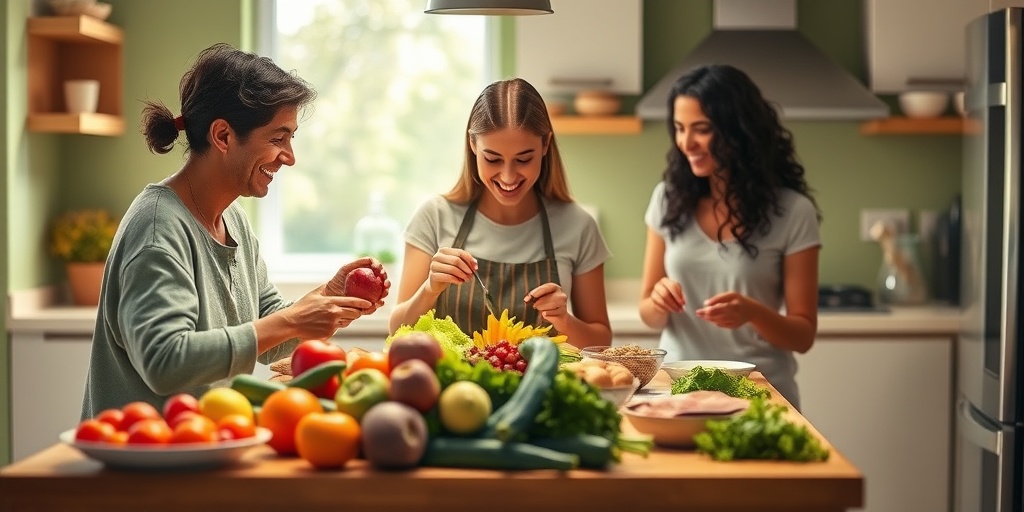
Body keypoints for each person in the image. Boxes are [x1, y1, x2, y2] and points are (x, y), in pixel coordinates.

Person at [81, 43, 389, 418]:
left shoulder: (234, 219)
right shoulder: (158, 230)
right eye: (278, 138)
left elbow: (269, 336)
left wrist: (330, 299)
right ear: (223, 136)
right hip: (143, 463)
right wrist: (291, 320)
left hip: (206, 449)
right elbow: (164, 361)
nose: (290, 156)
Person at [638, 64, 821, 409]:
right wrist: (658, 300)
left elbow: (803, 335)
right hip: (678, 388)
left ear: (739, 132)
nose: (686, 142)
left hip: (761, 392)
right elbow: (648, 312)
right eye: (679, 128)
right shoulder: (667, 199)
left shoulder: (794, 212)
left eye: (702, 129)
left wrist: (754, 312)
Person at [388, 78, 611, 348]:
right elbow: (397, 329)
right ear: (473, 144)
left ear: (545, 145)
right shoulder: (434, 217)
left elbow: (601, 342)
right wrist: (430, 289)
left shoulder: (578, 225)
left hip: (543, 390)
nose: (508, 176)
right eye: (492, 159)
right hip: (450, 389)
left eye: (524, 159)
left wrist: (564, 319)